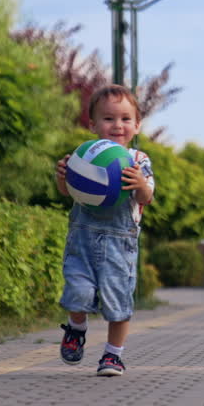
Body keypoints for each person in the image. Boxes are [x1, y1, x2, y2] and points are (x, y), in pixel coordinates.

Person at [54, 84, 155, 376]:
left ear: (137, 125)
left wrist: (140, 185)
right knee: (78, 291)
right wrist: (63, 177)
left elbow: (146, 198)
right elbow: (68, 192)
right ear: (93, 124)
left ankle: (113, 355)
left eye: (125, 119)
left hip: (119, 245)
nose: (117, 125)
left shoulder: (139, 161)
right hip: (82, 240)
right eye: (108, 119)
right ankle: (76, 327)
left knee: (118, 299)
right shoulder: (83, 157)